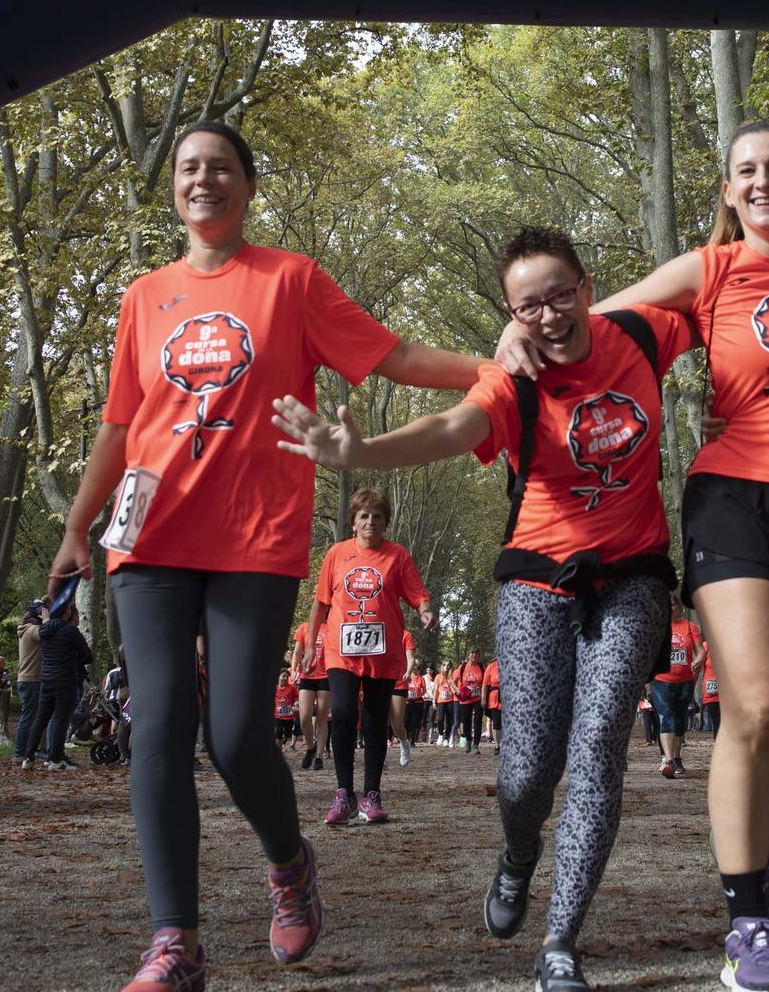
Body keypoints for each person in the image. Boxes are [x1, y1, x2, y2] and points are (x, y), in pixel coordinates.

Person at [46, 120, 481, 989]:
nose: (203, 179)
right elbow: (119, 425)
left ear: (248, 185)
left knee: (240, 733)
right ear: (174, 187)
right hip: (151, 538)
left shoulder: (290, 281)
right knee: (159, 725)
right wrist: (75, 529)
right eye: (188, 168)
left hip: (253, 537)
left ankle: (290, 864)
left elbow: (390, 353)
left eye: (220, 167)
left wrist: (492, 368)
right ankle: (176, 942)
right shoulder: (144, 296)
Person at [498, 121, 769, 992]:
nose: (763, 182)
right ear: (727, 189)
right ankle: (749, 915)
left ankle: (748, 837)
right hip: (735, 497)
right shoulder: (707, 270)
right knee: (755, 702)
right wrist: (513, 340)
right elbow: (591, 317)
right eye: (745, 171)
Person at [272, 224, 695, 992]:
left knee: (600, 742)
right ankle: (519, 853)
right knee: (526, 772)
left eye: (561, 294)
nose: (550, 314)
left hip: (633, 573)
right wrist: (358, 452)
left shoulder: (642, 334)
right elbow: (449, 426)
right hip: (535, 579)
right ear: (511, 314)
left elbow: (723, 287)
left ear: (588, 289)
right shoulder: (512, 382)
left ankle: (561, 939)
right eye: (528, 305)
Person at [311, 487, 433, 825]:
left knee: (376, 721)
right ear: (353, 522)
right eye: (364, 516)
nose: (370, 522)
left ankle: (372, 796)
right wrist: (310, 644)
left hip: (382, 651)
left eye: (377, 516)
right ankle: (343, 794)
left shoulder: (398, 556)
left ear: (385, 522)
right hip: (341, 649)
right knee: (345, 712)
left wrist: (425, 611)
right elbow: (321, 602)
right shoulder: (336, 554)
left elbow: (417, 593)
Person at [649, 601, 704, 778]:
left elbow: (701, 650)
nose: (670, 608)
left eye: (673, 604)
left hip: (685, 681)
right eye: (668, 604)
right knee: (665, 716)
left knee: (679, 721)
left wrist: (699, 660)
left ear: (679, 607)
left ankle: (677, 756)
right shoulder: (656, 627)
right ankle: (669, 760)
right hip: (661, 680)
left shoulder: (689, 625)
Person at [36, 600, 92, 770]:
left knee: (51, 718)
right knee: (60, 719)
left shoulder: (48, 631)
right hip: (67, 679)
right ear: (69, 615)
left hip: (51, 679)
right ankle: (55, 755)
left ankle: (46, 754)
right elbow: (87, 655)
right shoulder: (69, 632)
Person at [293, 614, 332, 771]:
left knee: (322, 717)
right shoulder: (303, 627)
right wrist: (293, 670)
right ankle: (311, 748)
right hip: (307, 675)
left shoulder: (331, 628)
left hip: (325, 676)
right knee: (304, 717)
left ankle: (319, 757)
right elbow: (297, 652)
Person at [14, 600, 46, 767]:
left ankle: (33, 749)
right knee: (28, 717)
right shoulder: (33, 629)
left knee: (36, 717)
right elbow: (47, 633)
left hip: (31, 679)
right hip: (31, 679)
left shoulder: (28, 629)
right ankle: (19, 752)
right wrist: (48, 619)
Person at [451, 649, 486, 754]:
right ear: (468, 655)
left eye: (476, 653)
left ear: (479, 656)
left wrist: (484, 697)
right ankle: (468, 740)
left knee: (478, 721)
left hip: (478, 698)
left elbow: (485, 683)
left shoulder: (481, 667)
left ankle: (476, 745)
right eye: (472, 653)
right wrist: (457, 691)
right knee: (466, 722)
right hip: (465, 699)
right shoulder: (462, 667)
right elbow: (452, 682)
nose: (474, 655)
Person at [392, 632, 417, 767]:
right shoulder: (379, 630)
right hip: (380, 680)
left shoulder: (405, 635)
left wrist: (408, 672)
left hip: (399, 682)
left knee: (396, 724)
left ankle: (404, 743)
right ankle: (379, 755)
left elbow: (411, 658)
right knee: (379, 722)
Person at [274, 667, 301, 746]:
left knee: (288, 734)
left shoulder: (291, 688)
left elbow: (297, 697)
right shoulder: (275, 688)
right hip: (278, 716)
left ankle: (285, 738)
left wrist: (297, 703)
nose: (285, 678)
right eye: (283, 676)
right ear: (279, 677)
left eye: (287, 677)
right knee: (278, 733)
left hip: (289, 717)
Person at [482, 653, 503, 754]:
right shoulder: (491, 666)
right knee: (496, 722)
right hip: (494, 698)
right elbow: (485, 685)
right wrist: (483, 698)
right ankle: (497, 745)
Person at [700, 651, 721, 736]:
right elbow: (699, 666)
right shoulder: (706, 646)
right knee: (717, 722)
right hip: (712, 691)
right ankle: (718, 745)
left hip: (728, 690)